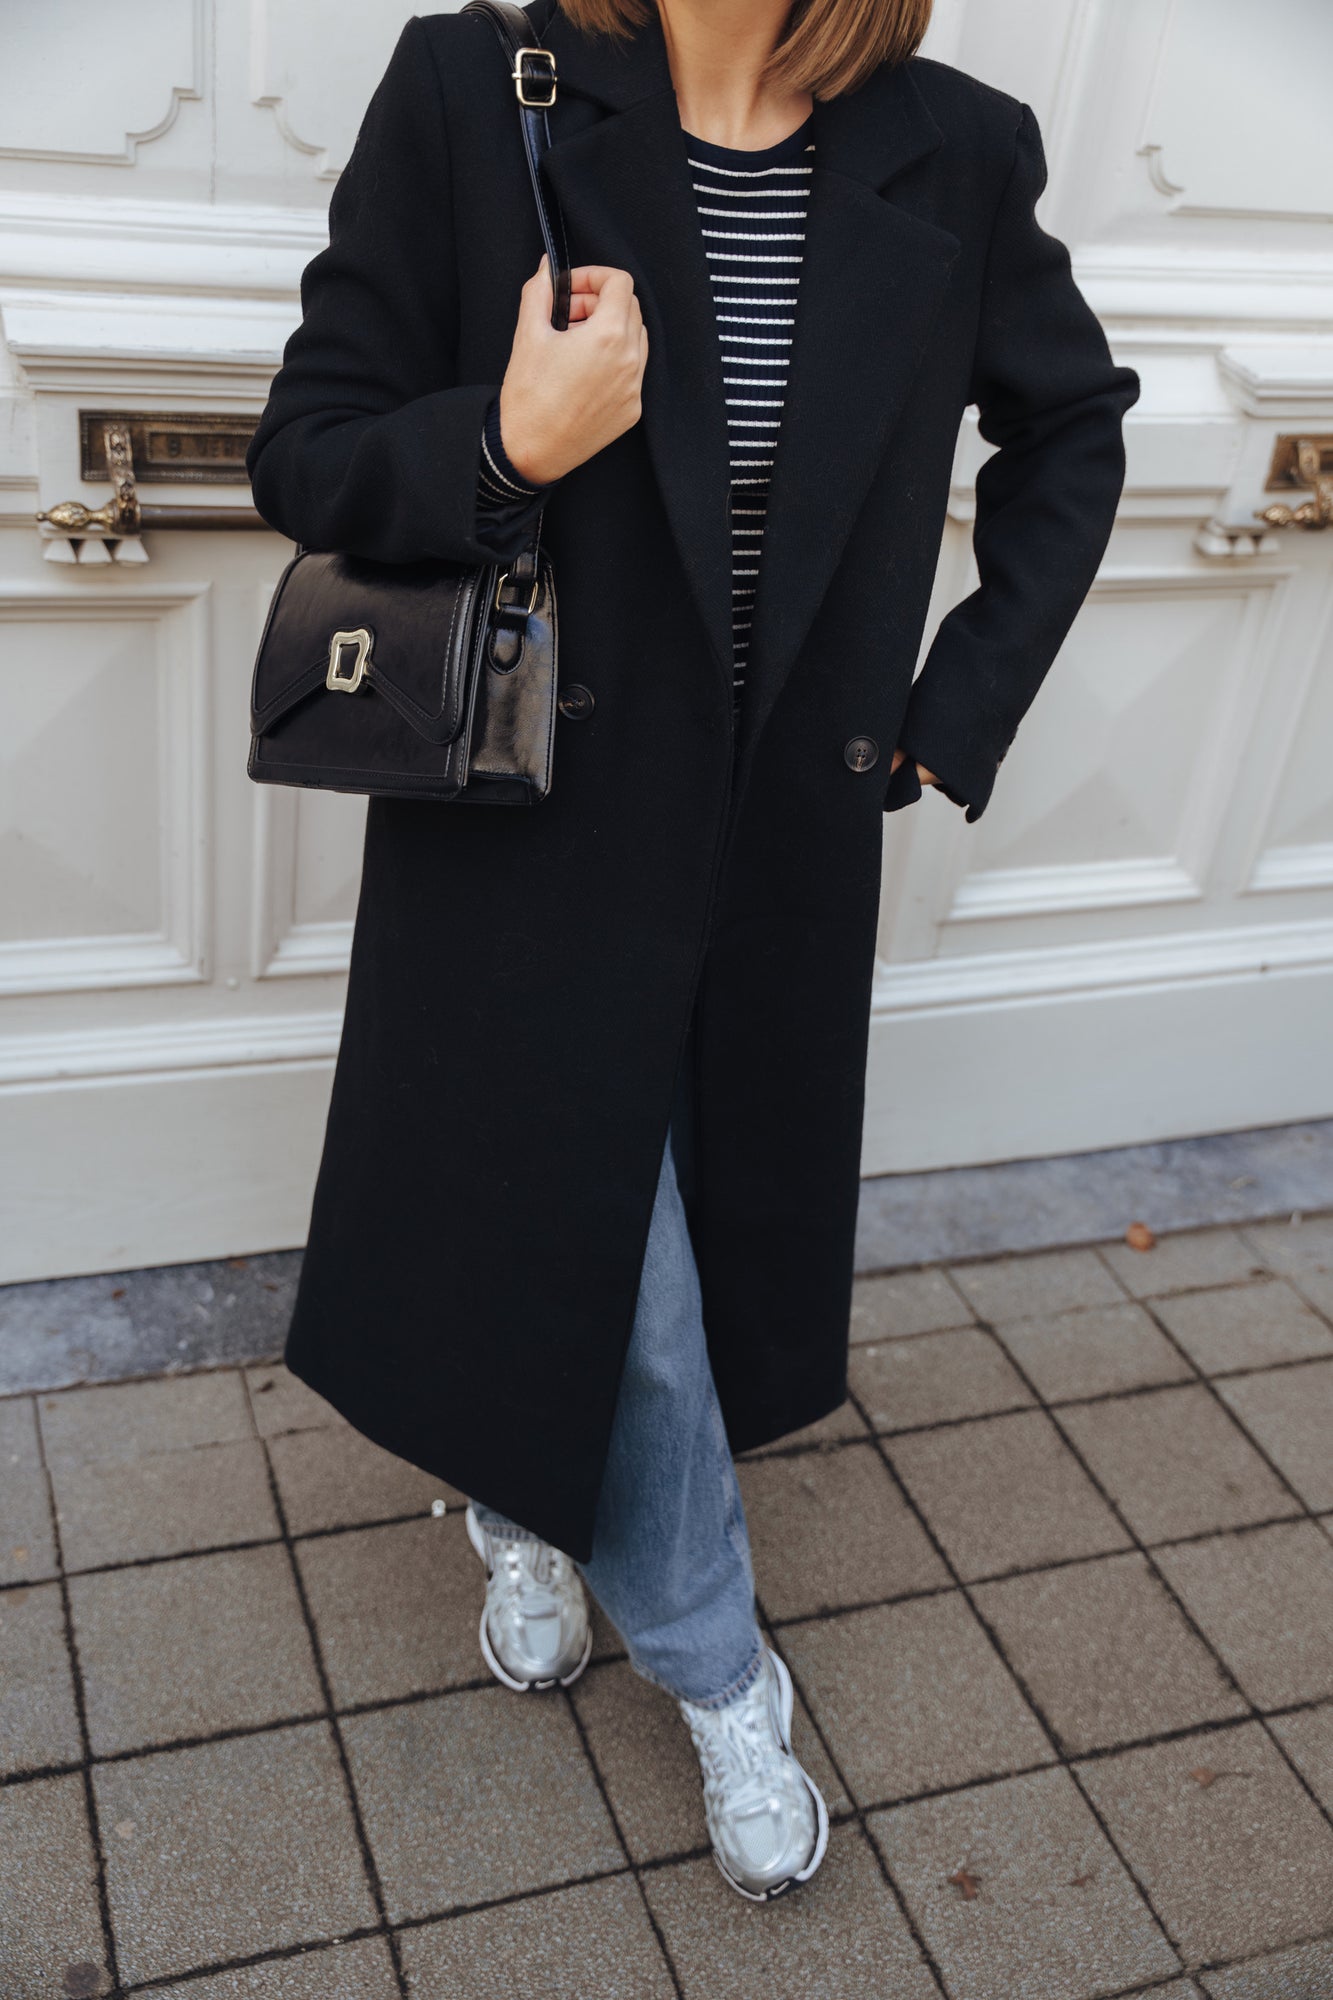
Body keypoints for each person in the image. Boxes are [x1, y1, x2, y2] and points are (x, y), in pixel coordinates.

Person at [245, 0, 1139, 1902]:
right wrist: (508, 440)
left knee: (630, 1228)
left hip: (776, 830)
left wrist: (954, 704)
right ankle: (719, 1660)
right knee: (621, 1268)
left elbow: (1070, 427)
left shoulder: (953, 147)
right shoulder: (478, 85)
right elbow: (307, 453)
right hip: (530, 818)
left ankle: (517, 1488)